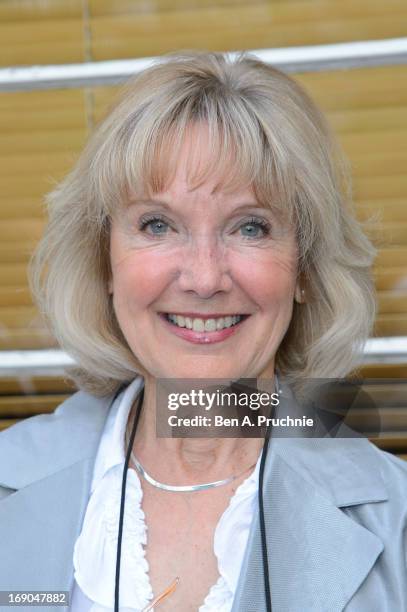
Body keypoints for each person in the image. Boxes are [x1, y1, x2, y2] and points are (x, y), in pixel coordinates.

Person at [0, 51, 406, 612]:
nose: (203, 277)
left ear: (304, 270)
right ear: (105, 262)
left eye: (250, 227)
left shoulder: (397, 523)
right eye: (158, 224)